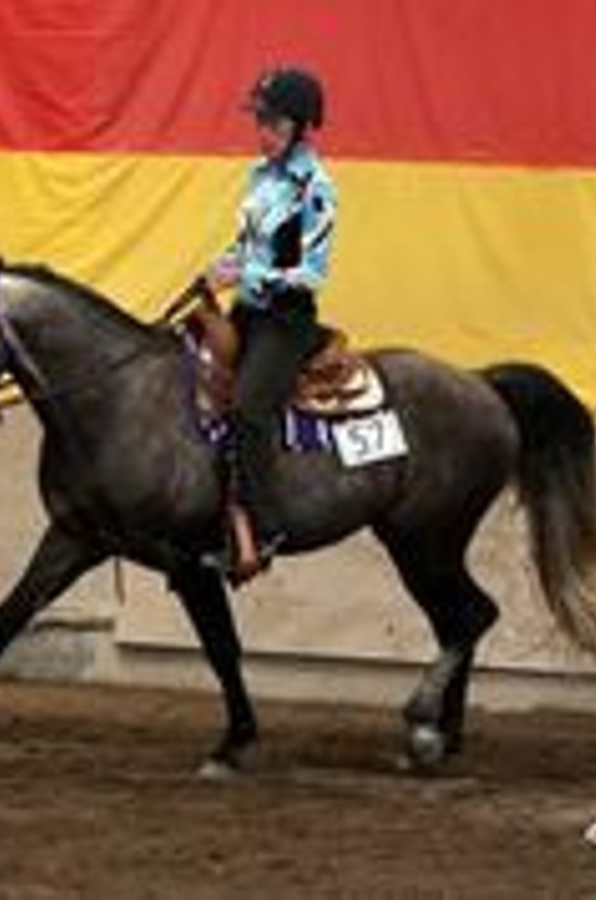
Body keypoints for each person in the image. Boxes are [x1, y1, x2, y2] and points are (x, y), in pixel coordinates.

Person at [204, 66, 338, 581]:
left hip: (285, 323)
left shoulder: (317, 188)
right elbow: (244, 245)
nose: (261, 133)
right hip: (247, 311)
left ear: (302, 128)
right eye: (259, 121)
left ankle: (266, 528)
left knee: (250, 407)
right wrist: (220, 268)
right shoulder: (258, 178)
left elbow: (311, 273)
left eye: (272, 124)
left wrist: (248, 273)